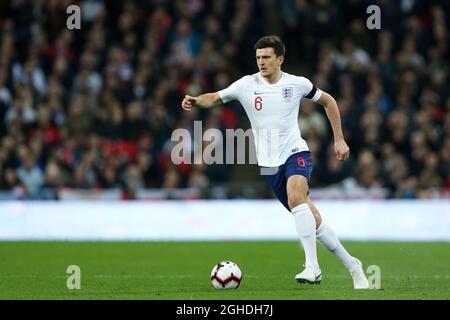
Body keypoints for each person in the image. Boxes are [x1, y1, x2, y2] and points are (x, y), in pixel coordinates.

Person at [181, 35, 369, 289]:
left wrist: (339, 139)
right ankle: (353, 266)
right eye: (258, 57)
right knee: (311, 217)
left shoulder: (298, 84)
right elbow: (214, 97)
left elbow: (329, 101)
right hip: (269, 164)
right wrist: (195, 100)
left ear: (280, 59)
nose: (261, 62)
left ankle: (312, 267)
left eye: (267, 57)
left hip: (296, 152)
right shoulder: (246, 85)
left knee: (295, 197)